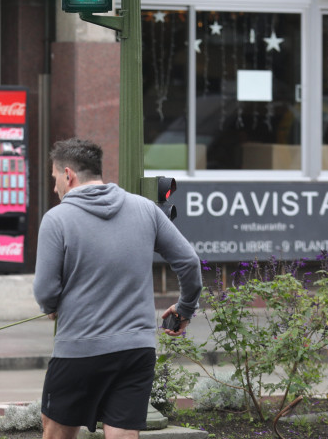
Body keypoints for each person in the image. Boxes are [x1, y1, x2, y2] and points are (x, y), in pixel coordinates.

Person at [33, 138, 202, 439]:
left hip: (78, 348)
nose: (54, 187)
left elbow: (45, 291)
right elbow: (189, 262)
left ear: (68, 175)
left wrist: (51, 307)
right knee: (123, 434)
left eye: (55, 178)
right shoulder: (145, 209)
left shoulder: (56, 219)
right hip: (136, 349)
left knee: (57, 430)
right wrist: (185, 308)